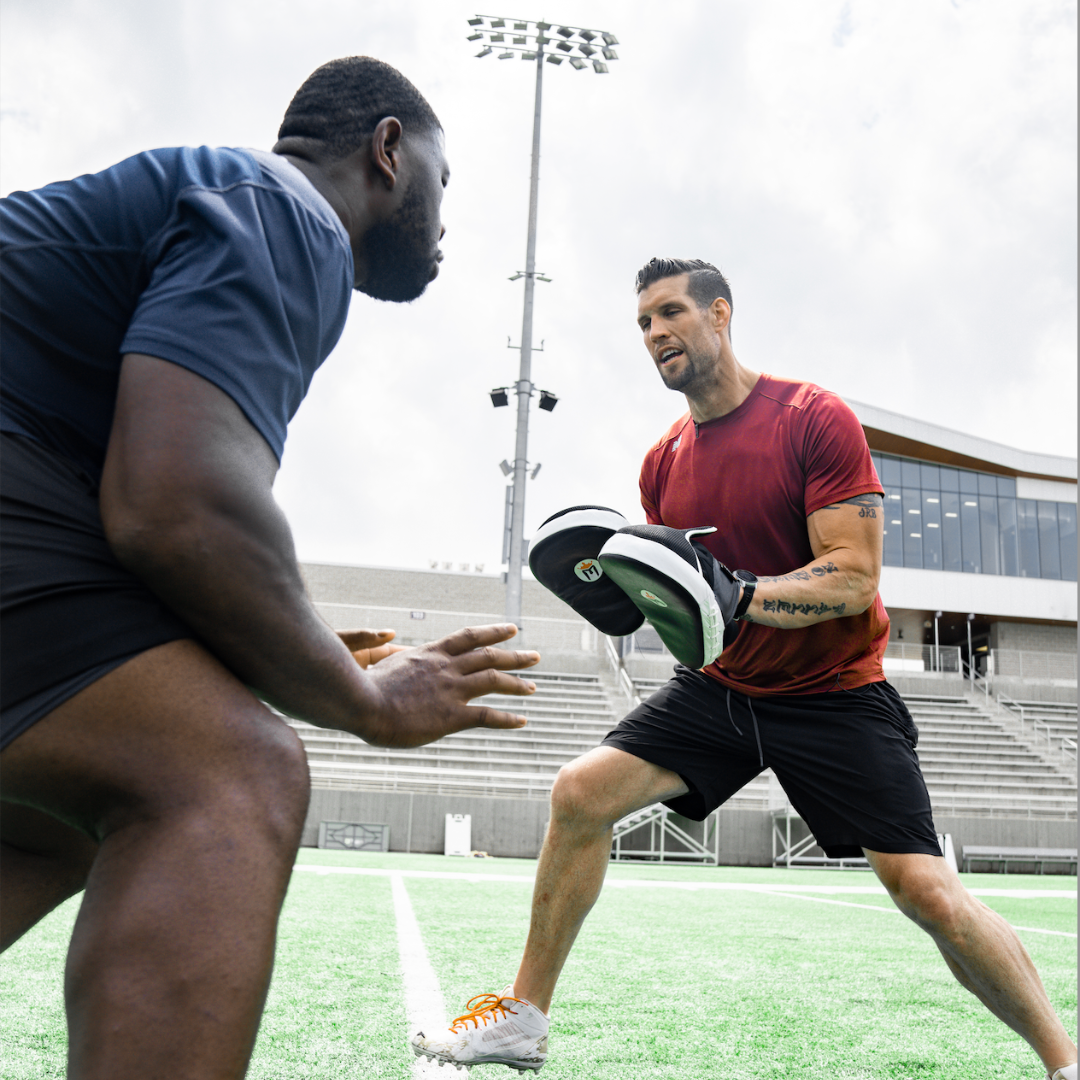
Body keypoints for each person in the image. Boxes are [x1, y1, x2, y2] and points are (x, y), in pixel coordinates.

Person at [0, 56, 541, 1078]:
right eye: (442, 179)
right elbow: (174, 508)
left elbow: (143, 507)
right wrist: (365, 701)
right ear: (387, 153)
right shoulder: (286, 211)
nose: (443, 219)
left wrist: (255, 632)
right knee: (225, 770)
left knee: (51, 821)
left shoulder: (219, 200)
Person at [410, 258, 1078, 1079]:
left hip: (836, 693)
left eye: (669, 314)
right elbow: (688, 608)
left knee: (926, 891)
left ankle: (1062, 1060)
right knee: (579, 792)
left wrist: (739, 594)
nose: (655, 334)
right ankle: (524, 1019)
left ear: (720, 314)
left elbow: (854, 576)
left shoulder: (812, 419)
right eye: (643, 324)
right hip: (723, 685)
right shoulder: (663, 462)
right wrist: (631, 600)